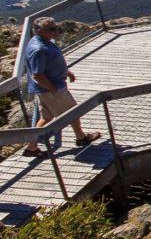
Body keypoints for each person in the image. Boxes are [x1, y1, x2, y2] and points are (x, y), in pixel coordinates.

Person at [23, 17, 100, 159]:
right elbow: (38, 74)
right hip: (51, 90)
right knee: (73, 111)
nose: (56, 31)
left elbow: (51, 63)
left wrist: (66, 72)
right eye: (51, 29)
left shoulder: (44, 42)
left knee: (47, 117)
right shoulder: (39, 49)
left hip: (48, 89)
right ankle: (81, 137)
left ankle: (31, 147)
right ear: (39, 31)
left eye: (55, 27)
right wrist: (53, 90)